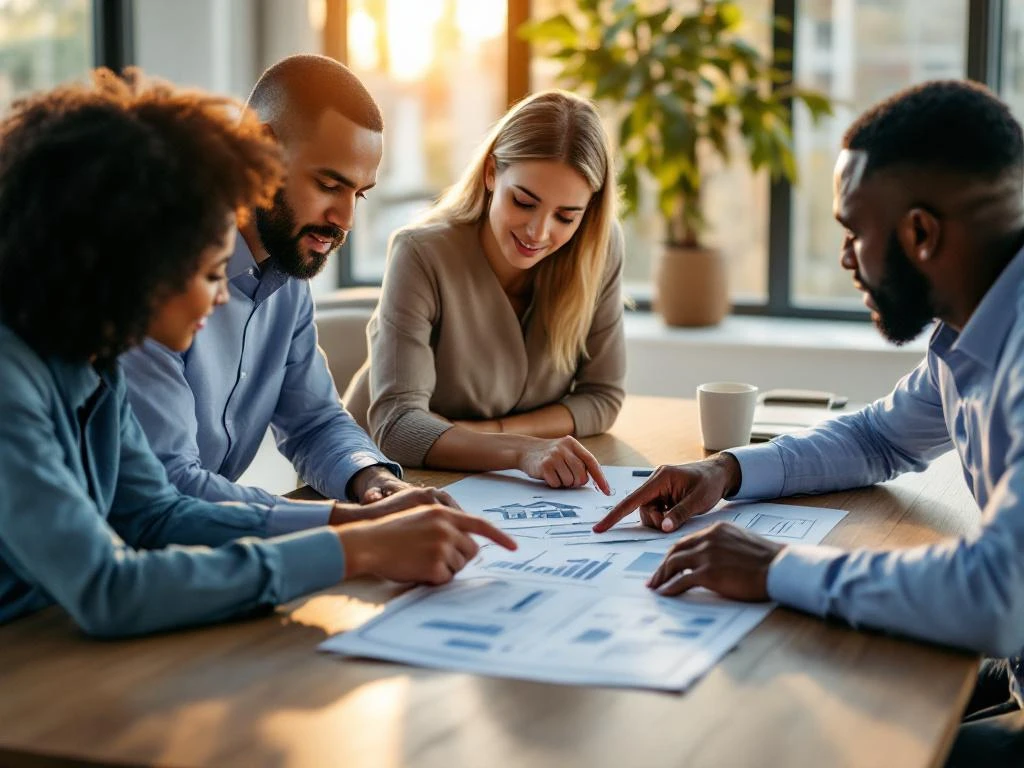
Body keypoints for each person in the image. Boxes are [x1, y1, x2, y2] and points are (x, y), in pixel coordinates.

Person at [594, 79, 1024, 766]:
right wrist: (726, 469)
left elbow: (996, 596)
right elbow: (880, 436)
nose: (848, 259)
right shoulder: (970, 334)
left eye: (854, 231)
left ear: (920, 232)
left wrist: (777, 566)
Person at [0, 70, 514, 638]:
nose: (223, 294)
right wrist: (350, 549)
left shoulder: (91, 357)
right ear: (128, 260)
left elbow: (155, 515)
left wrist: (357, 525)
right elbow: (109, 588)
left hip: (45, 636)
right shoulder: (12, 381)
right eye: (211, 271)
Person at [121, 55, 450, 522]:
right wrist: (342, 523)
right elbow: (169, 482)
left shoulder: (288, 276)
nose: (345, 221)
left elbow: (313, 421)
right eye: (328, 184)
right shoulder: (161, 273)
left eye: (357, 194)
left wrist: (376, 482)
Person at [345, 90, 625, 492]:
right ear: (492, 173)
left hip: (489, 480)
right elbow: (399, 427)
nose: (539, 232)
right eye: (524, 202)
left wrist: (498, 434)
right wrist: (521, 450)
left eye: (566, 216)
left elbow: (602, 398)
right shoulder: (420, 252)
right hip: (377, 479)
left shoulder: (598, 247)